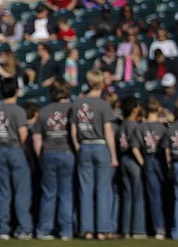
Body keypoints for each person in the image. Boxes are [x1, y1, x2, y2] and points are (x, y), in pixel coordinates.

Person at [70, 70, 118, 240]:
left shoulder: (77, 104)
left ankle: (87, 229)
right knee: (103, 189)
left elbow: (73, 131)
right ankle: (102, 229)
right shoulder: (103, 105)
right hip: (100, 145)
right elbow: (108, 133)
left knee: (85, 189)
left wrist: (78, 147)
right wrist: (113, 155)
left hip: (84, 146)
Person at [32, 78, 75, 240]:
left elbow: (37, 137)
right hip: (67, 153)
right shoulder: (72, 109)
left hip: (48, 153)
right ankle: (66, 230)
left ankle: (44, 229)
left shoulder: (44, 110)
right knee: (66, 193)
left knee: (48, 193)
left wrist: (39, 157)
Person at [0, 77, 33, 239]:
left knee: (3, 192)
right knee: (21, 191)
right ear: (16, 91)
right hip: (16, 149)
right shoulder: (18, 111)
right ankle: (24, 228)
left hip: (1, 150)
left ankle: (2, 229)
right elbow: (23, 135)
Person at [131, 96, 168, 239]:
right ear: (158, 109)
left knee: (154, 196)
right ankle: (169, 224)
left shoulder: (140, 127)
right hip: (161, 159)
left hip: (148, 158)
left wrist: (143, 162)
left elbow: (134, 148)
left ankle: (158, 228)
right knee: (167, 193)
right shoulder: (164, 127)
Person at [118, 96, 147, 239]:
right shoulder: (135, 125)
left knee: (127, 196)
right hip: (134, 160)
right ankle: (138, 230)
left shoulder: (121, 124)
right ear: (134, 109)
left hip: (123, 160)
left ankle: (126, 230)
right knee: (137, 195)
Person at [165, 110, 178, 240]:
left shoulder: (171, 128)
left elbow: (167, 150)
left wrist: (169, 167)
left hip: (175, 163)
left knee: (176, 198)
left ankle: (175, 232)